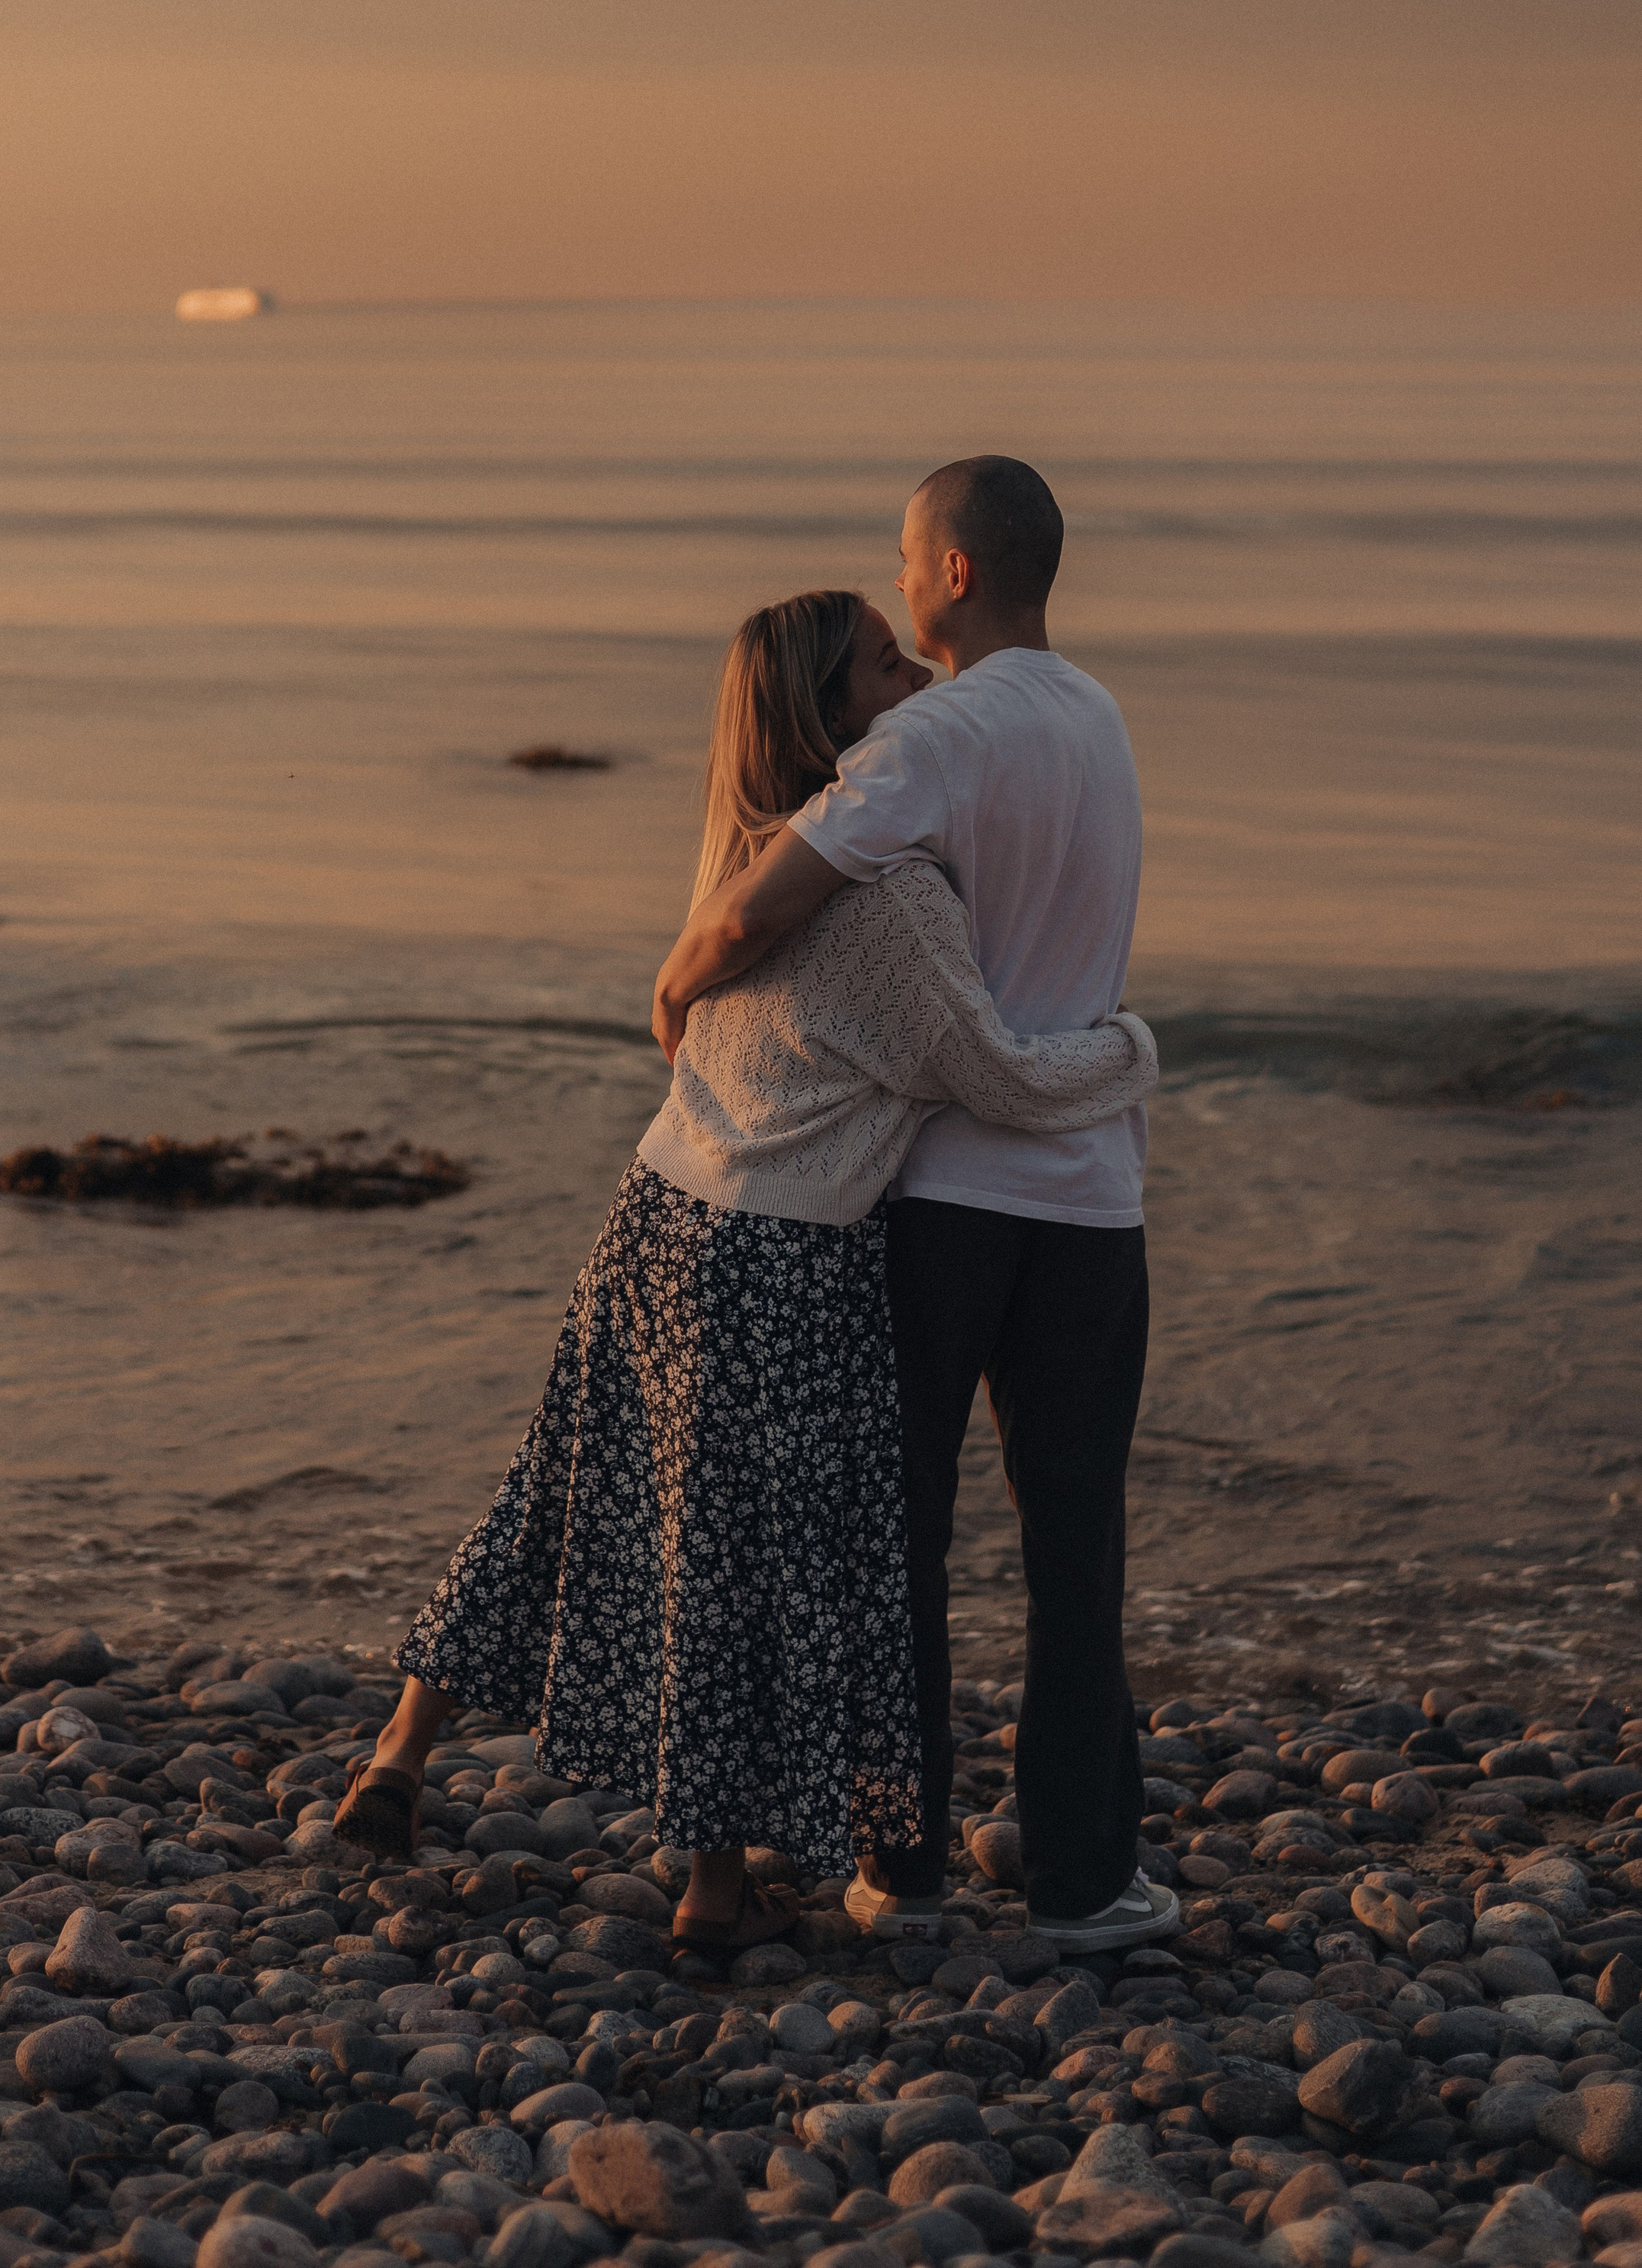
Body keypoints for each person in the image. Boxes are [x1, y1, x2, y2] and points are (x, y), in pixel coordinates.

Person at [338, 586, 1158, 1953]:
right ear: (828, 714)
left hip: (654, 1213)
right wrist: (1135, 1048)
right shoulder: (890, 900)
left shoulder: (743, 855)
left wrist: (667, 989)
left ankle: (397, 1755)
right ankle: (713, 1892)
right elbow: (1001, 1073)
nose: (913, 680)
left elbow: (717, 977)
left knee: (562, 1494)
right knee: (734, 1560)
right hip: (772, 1256)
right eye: (884, 670)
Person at [651, 458, 1176, 1952]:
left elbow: (762, 897)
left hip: (937, 1198)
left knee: (899, 1544)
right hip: (1087, 1192)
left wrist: (676, 982)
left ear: (951, 573)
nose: (892, 588)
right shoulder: (1098, 717)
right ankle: (1083, 1881)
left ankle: (903, 1873)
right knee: (1076, 1548)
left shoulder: (930, 735)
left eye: (901, 561)